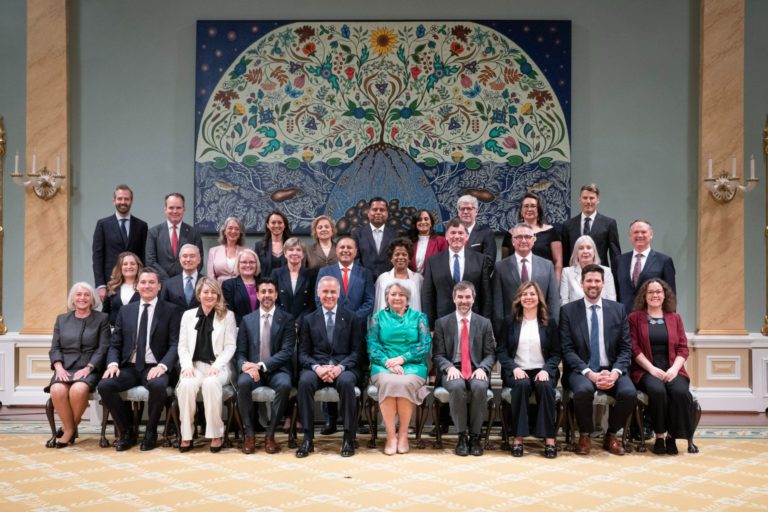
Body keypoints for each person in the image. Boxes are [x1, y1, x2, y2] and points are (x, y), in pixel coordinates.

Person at [98, 267, 183, 451]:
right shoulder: (125, 311)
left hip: (154, 366)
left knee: (159, 386)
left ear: (159, 286)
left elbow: (175, 344)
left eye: (152, 282)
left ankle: (151, 432)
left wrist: (163, 365)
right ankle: (127, 431)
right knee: (105, 385)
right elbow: (115, 343)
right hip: (128, 366)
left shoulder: (171, 311)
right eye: (143, 282)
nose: (147, 286)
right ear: (137, 286)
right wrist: (112, 363)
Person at [559, 264, 636, 456]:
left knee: (629, 393)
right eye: (589, 281)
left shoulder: (618, 310)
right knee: (583, 390)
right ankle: (584, 434)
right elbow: (567, 350)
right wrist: (589, 373)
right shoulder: (568, 311)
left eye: (597, 281)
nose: (593, 284)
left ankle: (611, 434)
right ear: (581, 283)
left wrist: (615, 372)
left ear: (603, 283)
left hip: (611, 368)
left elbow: (626, 348)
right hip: (581, 370)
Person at [297, 276, 362, 458]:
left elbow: (357, 353)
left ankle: (348, 437)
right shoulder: (308, 320)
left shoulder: (352, 318)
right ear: (318, 293)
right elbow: (302, 353)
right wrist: (317, 368)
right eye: (325, 291)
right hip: (317, 367)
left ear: (339, 293)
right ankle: (308, 439)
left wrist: (340, 368)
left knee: (348, 383)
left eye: (333, 291)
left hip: (343, 368)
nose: (329, 295)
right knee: (304, 382)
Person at [315, 236, 375, 434]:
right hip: (330, 329)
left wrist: (350, 319)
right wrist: (339, 318)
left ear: (356, 251)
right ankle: (330, 420)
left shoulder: (365, 273)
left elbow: (369, 301)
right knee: (328, 367)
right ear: (336, 250)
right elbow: (319, 299)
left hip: (357, 330)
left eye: (350, 247)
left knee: (354, 372)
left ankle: (354, 420)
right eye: (342, 247)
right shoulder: (325, 272)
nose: (346, 250)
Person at [629, 278, 693, 455]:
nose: (655, 295)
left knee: (680, 392)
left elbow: (683, 348)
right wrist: (652, 369)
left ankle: (672, 436)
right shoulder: (635, 318)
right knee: (658, 391)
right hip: (646, 370)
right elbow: (633, 348)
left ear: (665, 295)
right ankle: (658, 436)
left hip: (673, 368)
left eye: (658, 291)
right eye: (651, 292)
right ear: (644, 295)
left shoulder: (675, 318)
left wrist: (673, 370)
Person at [497, 282, 560, 458]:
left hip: (542, 370)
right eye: (524, 294)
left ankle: (549, 439)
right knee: (522, 386)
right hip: (518, 370)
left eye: (532, 294)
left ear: (539, 298)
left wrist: (547, 369)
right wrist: (514, 368)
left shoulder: (549, 322)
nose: (528, 297)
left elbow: (556, 353)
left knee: (546, 387)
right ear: (519, 298)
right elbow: (501, 351)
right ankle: (518, 439)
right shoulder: (509, 322)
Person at [432, 281, 495, 457]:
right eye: (460, 297)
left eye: (467, 297)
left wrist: (483, 368)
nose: (464, 301)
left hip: (476, 368)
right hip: (453, 368)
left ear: (473, 299)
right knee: (457, 386)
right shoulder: (442, 323)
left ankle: (475, 437)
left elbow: (490, 354)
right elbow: (438, 355)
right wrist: (448, 367)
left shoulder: (484, 323)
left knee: (480, 386)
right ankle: (461, 436)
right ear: (454, 299)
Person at [368, 282, 431, 455]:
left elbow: (424, 344)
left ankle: (403, 435)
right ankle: (390, 436)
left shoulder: (419, 317)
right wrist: (388, 361)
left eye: (401, 294)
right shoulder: (377, 317)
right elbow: (372, 344)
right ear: (387, 298)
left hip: (413, 365)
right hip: (383, 364)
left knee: (405, 383)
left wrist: (402, 359)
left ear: (407, 298)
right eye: (393, 294)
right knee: (388, 382)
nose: (397, 298)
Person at [176, 277, 236, 453]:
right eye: (205, 292)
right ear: (199, 294)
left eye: (213, 292)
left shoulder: (227, 316)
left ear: (218, 295)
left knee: (210, 383)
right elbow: (183, 346)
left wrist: (217, 366)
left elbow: (230, 346)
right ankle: (186, 434)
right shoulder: (188, 316)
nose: (209, 295)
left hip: (218, 366)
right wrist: (186, 366)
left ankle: (216, 434)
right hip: (194, 366)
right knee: (186, 385)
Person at [46, 282, 110, 447]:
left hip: (89, 367)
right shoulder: (62, 319)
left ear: (92, 298)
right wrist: (58, 367)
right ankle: (71, 427)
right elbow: (55, 348)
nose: (82, 298)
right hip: (65, 367)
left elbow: (103, 348)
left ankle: (67, 431)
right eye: (78, 294)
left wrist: (89, 367)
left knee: (78, 389)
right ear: (73, 299)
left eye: (86, 295)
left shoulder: (102, 318)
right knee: (57, 389)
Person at [236, 277, 295, 454]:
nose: (267, 295)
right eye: (263, 292)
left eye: (271, 291)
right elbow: (240, 352)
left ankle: (270, 434)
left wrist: (260, 366)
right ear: (258, 295)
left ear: (276, 295)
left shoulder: (287, 319)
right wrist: (244, 366)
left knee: (285, 385)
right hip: (252, 371)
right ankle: (250, 434)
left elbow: (286, 352)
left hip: (277, 370)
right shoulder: (247, 320)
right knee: (243, 384)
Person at [422, 218, 493, 330]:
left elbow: (486, 295)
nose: (456, 236)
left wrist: (485, 324)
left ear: (467, 236)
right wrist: (430, 327)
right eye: (453, 233)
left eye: (460, 233)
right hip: (442, 323)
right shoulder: (433, 261)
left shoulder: (480, 260)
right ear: (446, 236)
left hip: (473, 322)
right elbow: (427, 295)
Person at [493, 223, 559, 336]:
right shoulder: (500, 267)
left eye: (528, 237)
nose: (523, 240)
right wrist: (500, 332)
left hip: (541, 328)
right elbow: (497, 304)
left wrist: (551, 329)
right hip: (510, 331)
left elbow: (553, 300)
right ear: (513, 241)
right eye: (519, 237)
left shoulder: (547, 266)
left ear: (534, 240)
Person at [92, 184, 148, 302]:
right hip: (110, 282)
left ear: (131, 201)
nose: (123, 202)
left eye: (126, 199)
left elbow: (144, 256)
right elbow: (97, 257)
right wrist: (101, 285)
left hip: (135, 283)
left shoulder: (141, 226)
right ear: (114, 201)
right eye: (120, 198)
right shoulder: (103, 225)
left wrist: (143, 280)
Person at [616, 219, 676, 312]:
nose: (639, 235)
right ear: (630, 236)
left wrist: (670, 320)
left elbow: (670, 295)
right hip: (624, 318)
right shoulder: (619, 261)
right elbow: (615, 291)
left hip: (651, 318)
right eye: (636, 232)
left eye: (643, 232)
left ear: (651, 235)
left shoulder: (664, 261)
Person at [501, 192, 563, 282]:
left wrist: (555, 286)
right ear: (521, 211)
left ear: (539, 210)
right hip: (516, 284)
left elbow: (558, 264)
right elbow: (504, 264)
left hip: (543, 282)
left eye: (533, 206)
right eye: (526, 206)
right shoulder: (510, 234)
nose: (529, 209)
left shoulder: (551, 232)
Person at [561, 183, 621, 272]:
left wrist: (615, 278)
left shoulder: (609, 223)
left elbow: (615, 255)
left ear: (598, 200)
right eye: (585, 198)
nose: (588, 201)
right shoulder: (568, 225)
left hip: (600, 275)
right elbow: (565, 255)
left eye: (592, 198)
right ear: (580, 200)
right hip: (574, 275)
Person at [145, 192, 204, 281]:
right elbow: (150, 261)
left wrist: (184, 279)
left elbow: (199, 260)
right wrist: (168, 281)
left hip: (186, 284)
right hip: (161, 284)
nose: (175, 211)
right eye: (171, 208)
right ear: (165, 209)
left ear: (184, 209)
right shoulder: (153, 232)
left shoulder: (194, 233)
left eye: (178, 208)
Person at [271, 237, 317, 325]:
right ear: (285, 253)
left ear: (303, 254)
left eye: (298, 250)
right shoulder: (276, 273)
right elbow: (273, 300)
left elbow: (312, 303)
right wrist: (286, 319)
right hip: (281, 322)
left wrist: (300, 321)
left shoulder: (311, 274)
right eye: (291, 250)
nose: (295, 253)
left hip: (304, 323)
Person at [352, 197, 401, 279]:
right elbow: (355, 259)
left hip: (389, 281)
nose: (378, 212)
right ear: (368, 213)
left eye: (382, 210)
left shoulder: (395, 235)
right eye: (374, 210)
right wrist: (363, 276)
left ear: (387, 213)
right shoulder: (357, 234)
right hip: (364, 280)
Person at [560, 235, 617, 304]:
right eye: (581, 248)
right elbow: (564, 301)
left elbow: (612, 300)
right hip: (575, 314)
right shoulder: (567, 272)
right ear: (576, 253)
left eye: (589, 248)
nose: (585, 251)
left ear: (594, 252)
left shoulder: (606, 272)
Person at [374, 238, 423, 312]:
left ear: (409, 258)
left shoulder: (418, 279)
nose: (400, 257)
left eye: (404, 254)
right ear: (391, 258)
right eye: (397, 254)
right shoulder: (383, 279)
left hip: (412, 322)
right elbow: (377, 306)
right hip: (387, 322)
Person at [222, 249, 261, 326]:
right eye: (244, 262)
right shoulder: (228, 285)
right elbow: (229, 312)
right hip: (238, 328)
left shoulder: (264, 283)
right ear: (238, 265)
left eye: (252, 262)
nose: (248, 265)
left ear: (257, 265)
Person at [102, 251, 142, 326]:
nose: (129, 266)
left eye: (132, 264)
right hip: (115, 333)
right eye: (125, 264)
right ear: (120, 267)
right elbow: (105, 313)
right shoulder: (112, 287)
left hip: (137, 333)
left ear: (138, 266)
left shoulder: (144, 287)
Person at [160, 244, 203, 310]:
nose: (188, 259)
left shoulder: (206, 282)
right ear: (180, 259)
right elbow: (162, 308)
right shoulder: (169, 284)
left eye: (192, 256)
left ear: (199, 259)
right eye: (185, 256)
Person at [207, 217, 247, 284]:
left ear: (240, 233)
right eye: (230, 228)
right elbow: (211, 277)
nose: (233, 231)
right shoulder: (213, 251)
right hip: (220, 290)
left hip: (241, 289)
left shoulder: (247, 251)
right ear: (224, 231)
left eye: (237, 229)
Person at [457, 194, 496, 263]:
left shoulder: (486, 234)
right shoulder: (452, 233)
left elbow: (489, 262)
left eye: (469, 208)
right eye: (462, 209)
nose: (465, 212)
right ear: (458, 212)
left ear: (476, 211)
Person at [408, 209, 448, 274]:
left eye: (426, 219)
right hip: (413, 281)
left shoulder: (441, 241)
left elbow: (445, 264)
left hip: (433, 282)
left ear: (431, 223)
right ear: (415, 224)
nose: (423, 222)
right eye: (419, 220)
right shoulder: (410, 242)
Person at [254, 210, 291, 277]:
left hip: (286, 286)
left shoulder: (292, 246)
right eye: (273, 223)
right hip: (265, 285)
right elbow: (256, 270)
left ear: (284, 225)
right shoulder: (259, 246)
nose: (276, 225)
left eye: (280, 222)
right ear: (268, 225)